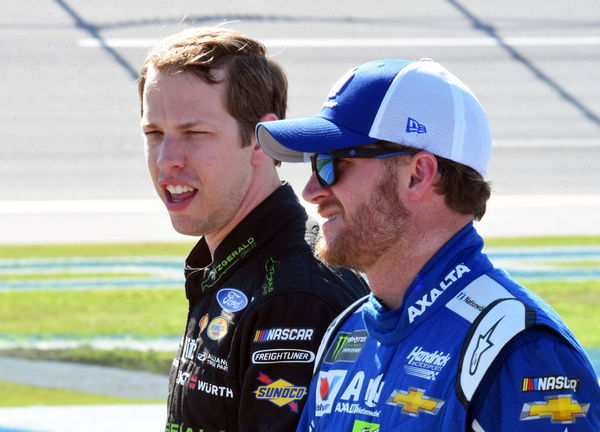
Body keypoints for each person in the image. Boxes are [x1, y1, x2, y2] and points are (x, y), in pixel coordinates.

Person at [256, 58, 600, 431]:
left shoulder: (519, 351)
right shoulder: (348, 332)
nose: (311, 191)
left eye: (330, 163)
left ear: (418, 175)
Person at [137, 27, 368, 432]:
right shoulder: (232, 263)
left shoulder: (294, 299)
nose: (166, 159)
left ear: (263, 140)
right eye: (154, 134)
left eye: (195, 134)